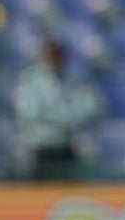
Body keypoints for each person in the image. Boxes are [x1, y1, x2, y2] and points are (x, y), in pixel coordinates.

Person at [14, 37, 101, 181]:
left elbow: (90, 108)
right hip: (41, 148)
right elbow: (30, 113)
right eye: (50, 55)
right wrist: (66, 117)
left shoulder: (74, 79)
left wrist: (56, 116)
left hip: (67, 146)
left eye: (57, 54)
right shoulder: (30, 80)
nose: (54, 59)